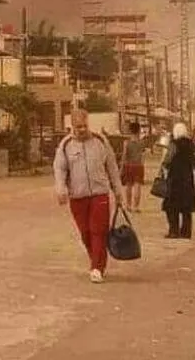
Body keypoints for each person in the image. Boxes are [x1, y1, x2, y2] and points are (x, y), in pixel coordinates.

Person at [53, 109, 124, 284]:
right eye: (78, 127)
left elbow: (112, 167)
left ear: (88, 124)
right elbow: (60, 169)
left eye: (84, 126)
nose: (82, 130)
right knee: (86, 233)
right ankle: (97, 259)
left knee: (98, 230)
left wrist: (118, 190)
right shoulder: (65, 145)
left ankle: (96, 268)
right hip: (77, 196)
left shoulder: (100, 141)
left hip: (99, 194)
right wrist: (60, 188)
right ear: (72, 127)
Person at [161, 123, 195, 239]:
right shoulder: (191, 144)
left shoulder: (174, 144)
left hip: (175, 179)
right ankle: (186, 232)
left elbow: (167, 159)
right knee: (186, 208)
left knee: (172, 206)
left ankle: (174, 231)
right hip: (187, 179)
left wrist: (164, 167)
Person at [121, 122, 145, 213]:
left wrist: (121, 167)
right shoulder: (142, 142)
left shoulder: (126, 142)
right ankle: (136, 206)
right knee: (137, 186)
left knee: (128, 186)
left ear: (130, 131)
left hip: (129, 165)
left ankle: (128, 205)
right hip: (139, 165)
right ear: (139, 130)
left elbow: (124, 156)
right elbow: (143, 155)